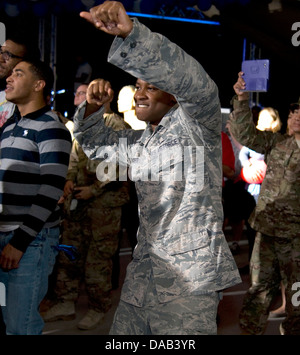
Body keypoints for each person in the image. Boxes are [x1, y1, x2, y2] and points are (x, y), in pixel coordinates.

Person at [73, 1, 241, 335]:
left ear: (175, 96)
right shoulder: (141, 142)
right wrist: (92, 108)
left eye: (151, 86)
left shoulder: (198, 125)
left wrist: (134, 35)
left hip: (188, 282)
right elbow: (96, 144)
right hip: (144, 274)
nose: (140, 94)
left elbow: (193, 81)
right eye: (138, 86)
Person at [41, 81, 130, 330]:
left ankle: (98, 307)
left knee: (98, 260)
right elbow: (73, 154)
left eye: (100, 93)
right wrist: (68, 179)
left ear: (109, 97)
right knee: (69, 255)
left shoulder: (118, 126)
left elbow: (120, 167)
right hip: (78, 201)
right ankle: (65, 302)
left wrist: (95, 189)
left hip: (105, 206)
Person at [0, 59, 72, 335]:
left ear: (39, 85)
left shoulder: (50, 127)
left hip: (29, 242)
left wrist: (19, 242)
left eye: (19, 73)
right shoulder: (8, 128)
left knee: (22, 327)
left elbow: (51, 188)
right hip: (6, 235)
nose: (9, 77)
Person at [229, 71, 300, 335]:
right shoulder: (276, 143)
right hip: (268, 231)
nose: (295, 117)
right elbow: (244, 133)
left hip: (296, 236)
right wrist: (241, 99)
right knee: (258, 290)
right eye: (293, 112)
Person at [0, 33, 40, 127]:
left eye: (7, 55)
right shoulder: (2, 95)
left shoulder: (32, 104)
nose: (0, 59)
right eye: (1, 52)